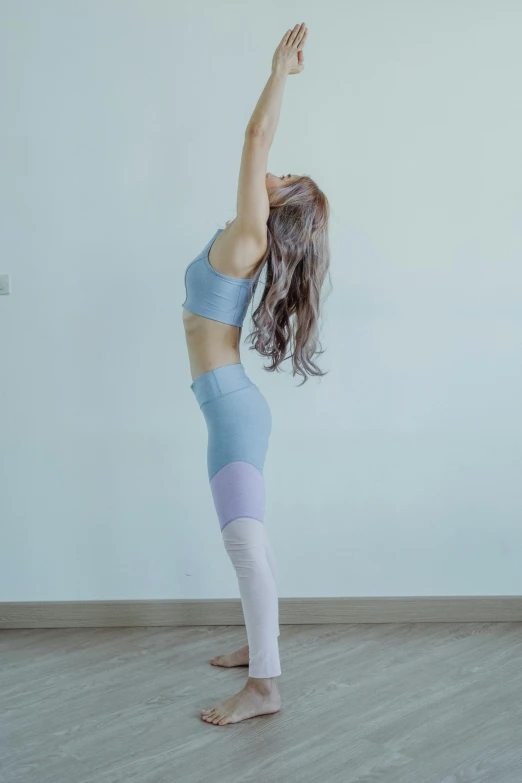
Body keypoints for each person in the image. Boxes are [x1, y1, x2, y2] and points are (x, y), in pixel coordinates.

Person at [182, 22, 330, 726]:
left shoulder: (250, 233)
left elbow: (253, 141)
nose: (274, 168)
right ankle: (257, 643)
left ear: (280, 204)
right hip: (232, 404)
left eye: (285, 174)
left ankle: (265, 686)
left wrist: (278, 72)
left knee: (243, 544)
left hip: (233, 410)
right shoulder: (245, 236)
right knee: (253, 541)